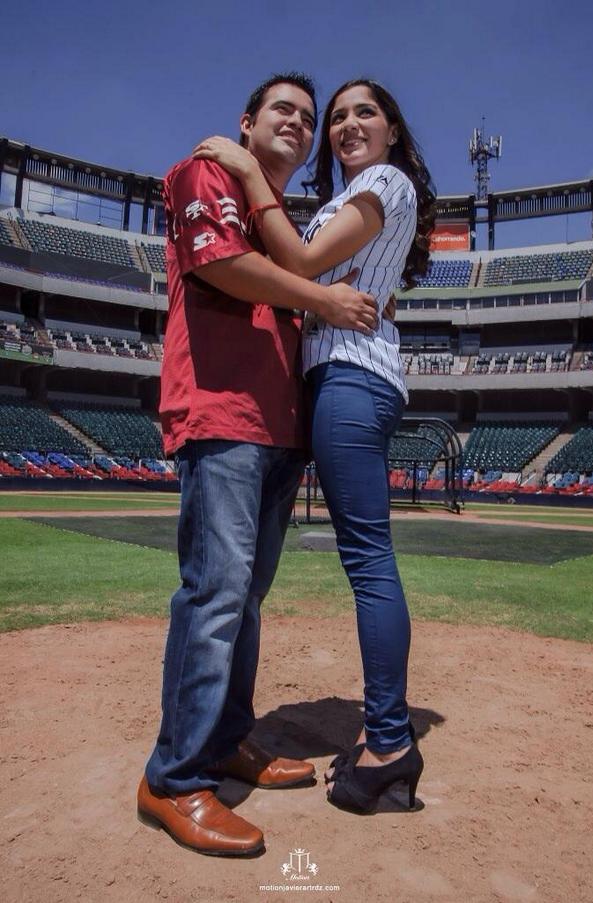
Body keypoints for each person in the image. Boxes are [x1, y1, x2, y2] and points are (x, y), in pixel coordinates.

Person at [137, 72, 379, 857]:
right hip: (221, 414)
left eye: (307, 120)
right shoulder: (203, 170)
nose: (300, 125)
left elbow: (293, 268)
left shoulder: (287, 224)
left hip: (278, 427)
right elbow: (217, 265)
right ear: (245, 124)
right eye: (285, 110)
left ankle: (226, 740)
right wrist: (322, 299)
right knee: (213, 595)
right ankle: (173, 777)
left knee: (244, 600)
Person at [194, 78, 436, 814]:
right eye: (337, 117)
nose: (346, 124)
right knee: (364, 555)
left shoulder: (385, 179)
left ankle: (390, 741)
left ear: (393, 129)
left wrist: (242, 169)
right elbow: (326, 276)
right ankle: (387, 739)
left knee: (367, 557)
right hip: (343, 376)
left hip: (352, 379)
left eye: (365, 111)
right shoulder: (357, 194)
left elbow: (297, 267)